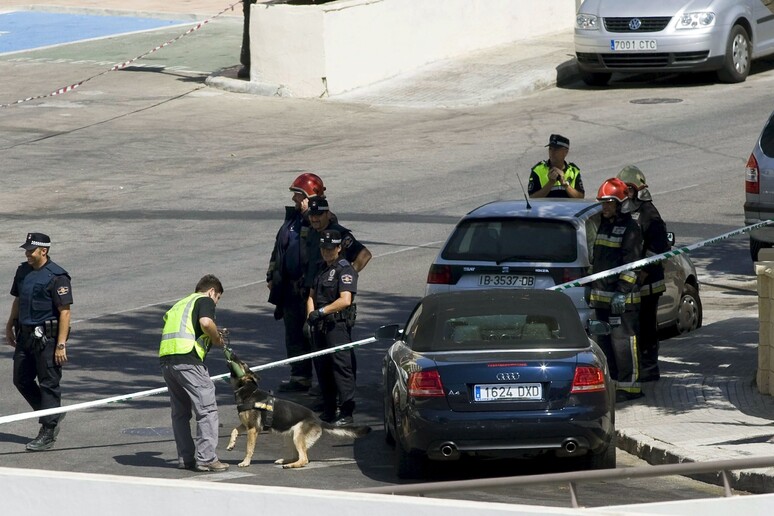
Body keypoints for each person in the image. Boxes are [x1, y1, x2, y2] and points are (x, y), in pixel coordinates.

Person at [5, 233, 72, 452]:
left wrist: (61, 344)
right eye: (26, 250)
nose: (27, 254)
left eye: (31, 250)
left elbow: (65, 313)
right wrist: (9, 325)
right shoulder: (22, 271)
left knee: (48, 384)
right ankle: (51, 412)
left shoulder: (57, 276)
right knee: (21, 379)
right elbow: (18, 299)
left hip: (48, 340)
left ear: (44, 251)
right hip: (25, 336)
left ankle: (48, 430)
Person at [159, 274, 229, 472]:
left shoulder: (180, 304)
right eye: (218, 298)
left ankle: (186, 458)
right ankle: (207, 458)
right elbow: (206, 323)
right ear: (212, 291)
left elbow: (188, 327)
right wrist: (216, 339)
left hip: (167, 361)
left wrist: (214, 332)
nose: (216, 303)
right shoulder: (204, 299)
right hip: (189, 360)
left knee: (180, 412)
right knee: (206, 409)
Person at [266, 172, 327, 393]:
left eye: (298, 195)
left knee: (313, 334)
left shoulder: (321, 220)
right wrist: (271, 275)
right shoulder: (291, 220)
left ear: (311, 197)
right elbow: (278, 249)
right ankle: (300, 378)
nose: (294, 199)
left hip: (311, 290)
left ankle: (325, 384)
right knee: (293, 334)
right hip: (290, 289)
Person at [589, 178, 644, 402]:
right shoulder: (602, 225)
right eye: (603, 203)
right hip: (602, 298)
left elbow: (632, 263)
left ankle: (630, 387)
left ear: (620, 203)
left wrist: (622, 291)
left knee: (623, 344)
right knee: (604, 344)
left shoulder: (631, 229)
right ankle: (612, 385)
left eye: (609, 203)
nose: (605, 207)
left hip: (622, 300)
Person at [617, 165, 669, 382]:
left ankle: (649, 367)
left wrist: (643, 273)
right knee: (635, 328)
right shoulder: (628, 211)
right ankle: (639, 365)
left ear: (637, 189)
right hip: (634, 283)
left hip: (648, 284)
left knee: (646, 327)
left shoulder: (650, 214)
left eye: (628, 188)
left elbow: (659, 248)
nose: (625, 193)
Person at [306, 230, 359, 426]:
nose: (326, 252)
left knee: (341, 367)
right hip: (319, 325)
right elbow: (311, 295)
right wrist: (310, 317)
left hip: (336, 325)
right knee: (322, 366)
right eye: (323, 249)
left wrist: (321, 312)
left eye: (330, 249)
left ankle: (346, 411)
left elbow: (345, 300)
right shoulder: (320, 269)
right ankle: (329, 408)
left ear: (338, 248)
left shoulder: (345, 270)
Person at [305, 196, 372, 279]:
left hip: (330, 288)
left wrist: (348, 275)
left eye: (318, 215)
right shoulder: (310, 232)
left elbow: (365, 255)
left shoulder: (339, 234)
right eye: (311, 215)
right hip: (313, 286)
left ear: (328, 214)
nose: (314, 219)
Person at [528, 134, 585, 198]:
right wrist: (550, 183)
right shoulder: (538, 170)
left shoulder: (573, 172)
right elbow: (532, 198)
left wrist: (565, 184)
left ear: (566, 152)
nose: (552, 152)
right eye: (550, 149)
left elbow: (581, 198)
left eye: (556, 150)